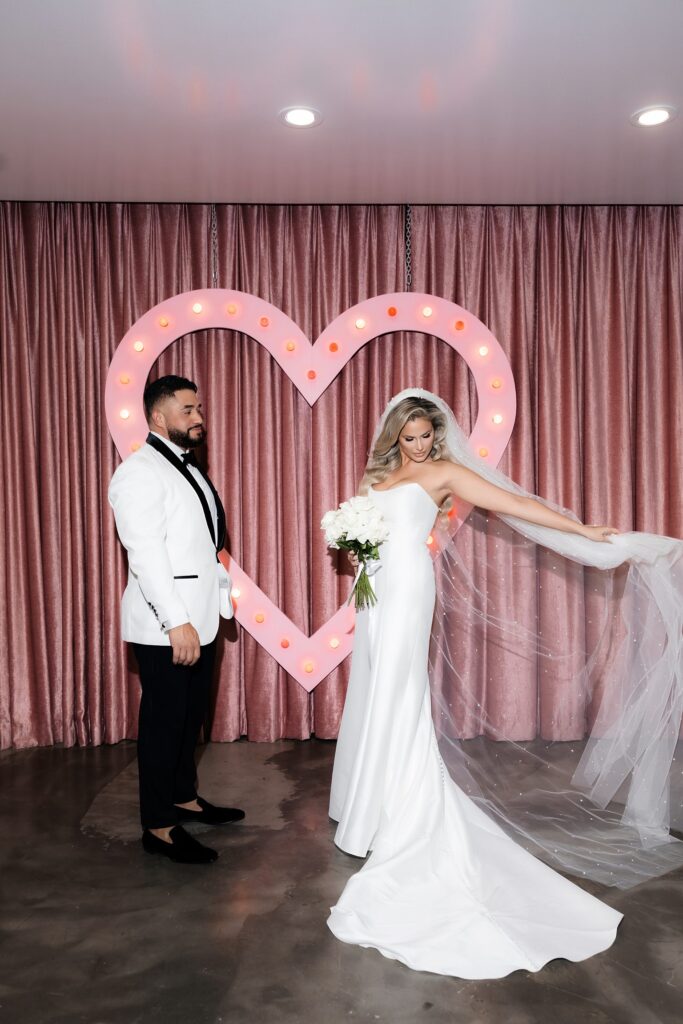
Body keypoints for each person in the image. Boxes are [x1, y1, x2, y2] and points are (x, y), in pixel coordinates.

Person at [327, 387, 683, 977]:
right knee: (371, 689)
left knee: (396, 692)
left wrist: (580, 528)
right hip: (373, 593)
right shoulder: (380, 477)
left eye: (425, 436)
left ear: (436, 437)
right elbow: (361, 535)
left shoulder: (445, 472)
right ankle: (363, 802)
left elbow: (510, 504)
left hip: (410, 587)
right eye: (407, 437)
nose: (416, 446)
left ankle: (390, 813)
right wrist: (352, 539)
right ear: (393, 436)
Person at [109, 375, 244, 864]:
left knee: (190, 720)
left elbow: (204, 545)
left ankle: (184, 797)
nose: (198, 417)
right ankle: (159, 825)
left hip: (202, 616)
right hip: (170, 623)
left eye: (199, 408)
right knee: (164, 722)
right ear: (159, 416)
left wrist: (220, 599)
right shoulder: (139, 473)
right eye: (187, 410)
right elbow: (144, 555)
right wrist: (175, 622)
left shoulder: (188, 469)